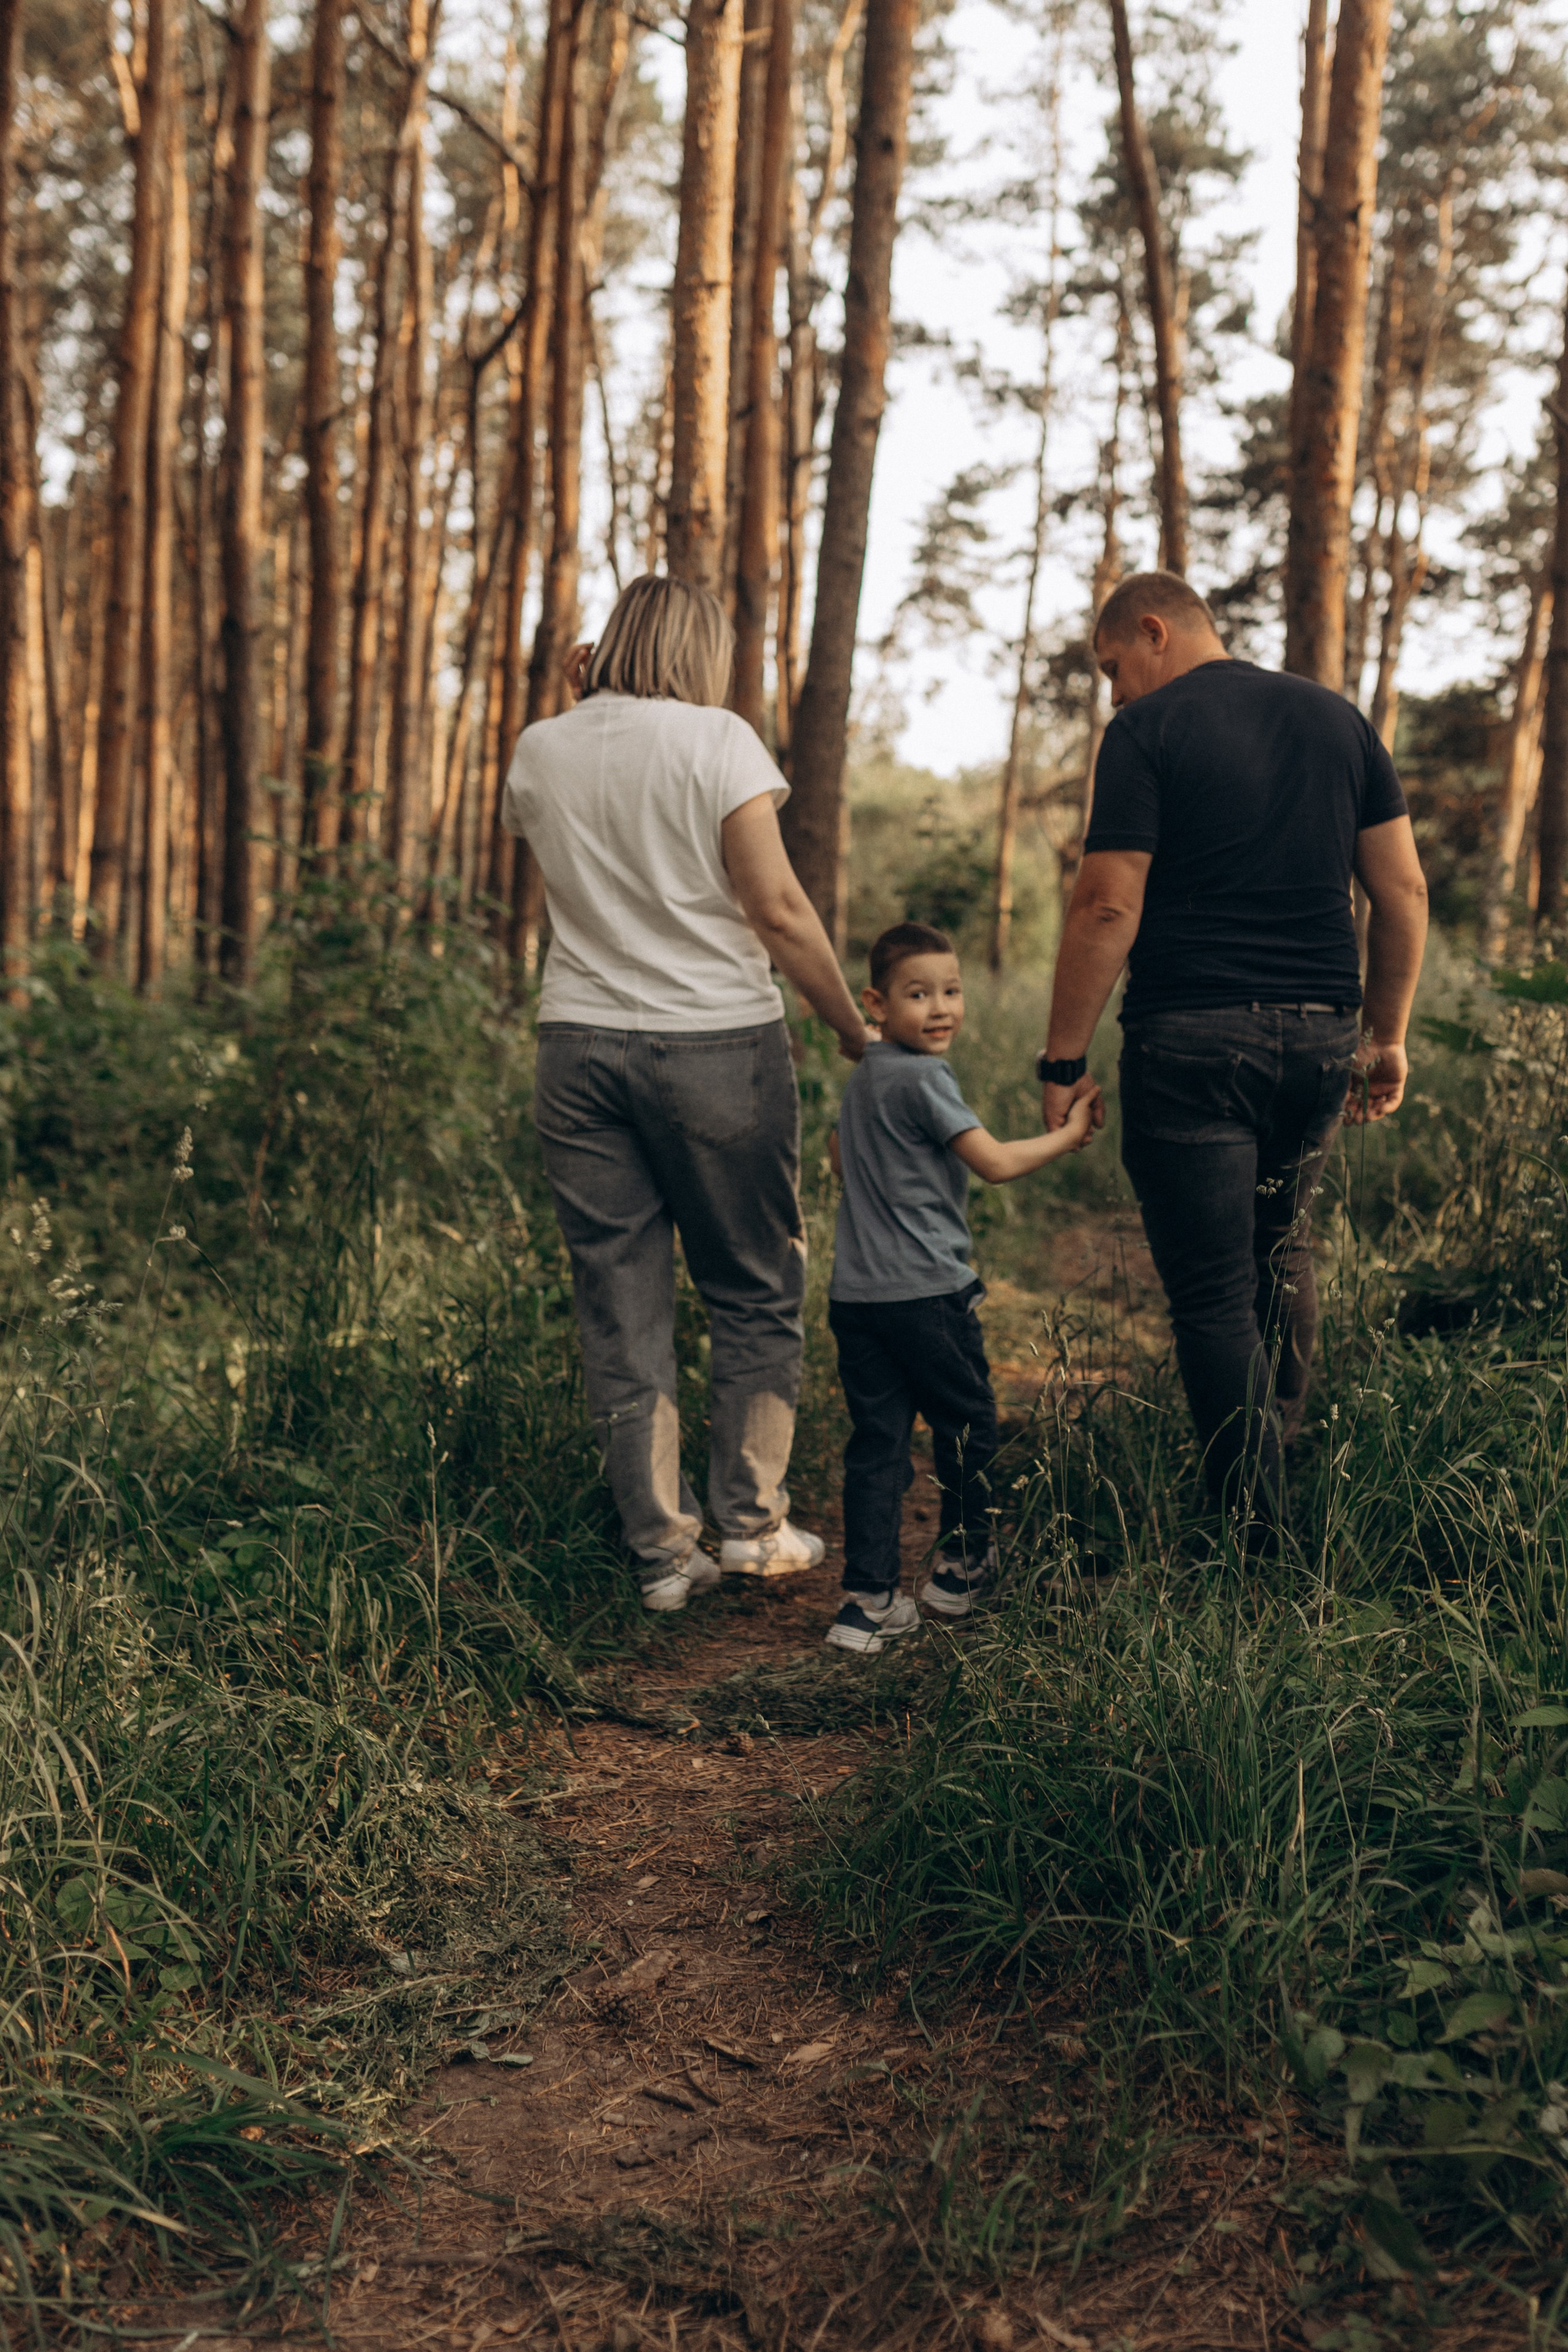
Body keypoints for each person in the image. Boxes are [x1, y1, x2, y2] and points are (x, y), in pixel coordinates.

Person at [502, 575, 870, 1613]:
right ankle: (752, 1529)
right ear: (700, 652)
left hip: (577, 1047)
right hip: (713, 1041)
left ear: (610, 642)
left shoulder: (542, 748)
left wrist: (581, 704)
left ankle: (662, 1554)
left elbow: (592, 849)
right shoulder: (719, 739)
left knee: (621, 1300)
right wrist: (849, 1024)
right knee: (754, 1282)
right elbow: (777, 908)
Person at [1039, 571, 1429, 1536]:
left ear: (1156, 632)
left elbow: (1107, 904)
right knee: (1280, 1250)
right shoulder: (1338, 721)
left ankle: (1250, 1532)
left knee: (1213, 1290)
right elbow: (1405, 893)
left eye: (1113, 666)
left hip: (1195, 1042)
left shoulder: (1146, 732)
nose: (1114, 691)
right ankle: (1276, 1468)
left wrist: (1060, 1059)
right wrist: (1386, 1036)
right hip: (1322, 1038)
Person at [825, 924, 1098, 1655]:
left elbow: (836, 1157)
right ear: (876, 1004)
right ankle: (962, 1566)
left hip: (856, 1295)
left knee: (878, 1442)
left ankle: (867, 1603)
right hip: (925, 1294)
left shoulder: (867, 1077)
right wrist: (1069, 1136)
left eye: (951, 991)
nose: (940, 1008)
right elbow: (995, 1164)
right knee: (968, 1422)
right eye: (919, 995)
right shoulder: (921, 1078)